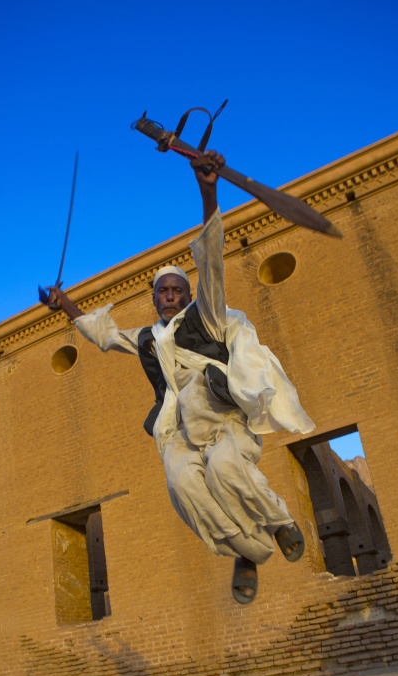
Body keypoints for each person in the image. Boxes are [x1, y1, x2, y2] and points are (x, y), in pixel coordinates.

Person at [47, 151, 315, 603]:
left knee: (227, 468)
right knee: (185, 488)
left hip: (219, 413)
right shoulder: (149, 338)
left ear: (187, 295)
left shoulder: (206, 317)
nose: (170, 296)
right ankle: (247, 550)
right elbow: (105, 335)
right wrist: (66, 305)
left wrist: (208, 190)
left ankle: (278, 521)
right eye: (163, 291)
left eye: (177, 290)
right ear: (154, 298)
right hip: (175, 427)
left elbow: (211, 260)